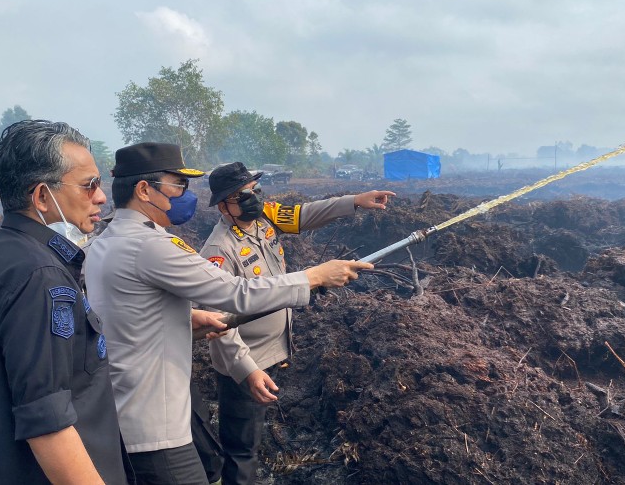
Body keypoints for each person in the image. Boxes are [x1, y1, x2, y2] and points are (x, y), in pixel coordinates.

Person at [83, 142, 372, 485]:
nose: (184, 195)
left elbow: (128, 312)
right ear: (145, 190)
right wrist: (314, 277)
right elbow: (236, 293)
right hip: (153, 419)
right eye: (178, 185)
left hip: (135, 404)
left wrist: (190, 319)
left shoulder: (107, 241)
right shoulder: (152, 246)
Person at [200, 162, 395, 484]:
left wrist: (355, 201)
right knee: (241, 447)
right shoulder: (219, 250)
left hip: (274, 351)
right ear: (223, 205)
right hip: (246, 362)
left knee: (255, 434)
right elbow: (216, 323)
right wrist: (247, 371)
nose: (251, 198)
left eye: (253, 190)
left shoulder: (265, 220)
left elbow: (305, 215)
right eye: (240, 195)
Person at [0, 120, 131, 484]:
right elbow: (48, 423)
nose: (101, 197)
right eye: (89, 186)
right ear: (41, 196)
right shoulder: (41, 275)